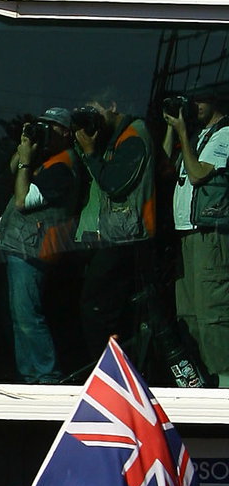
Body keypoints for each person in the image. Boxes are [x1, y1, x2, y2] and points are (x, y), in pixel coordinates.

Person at [0, 108, 81, 384]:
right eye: (41, 125)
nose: (45, 130)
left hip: (33, 250)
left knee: (28, 317)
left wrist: (25, 163)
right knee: (21, 317)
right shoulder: (47, 158)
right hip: (23, 247)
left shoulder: (63, 166)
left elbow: (22, 200)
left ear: (66, 133)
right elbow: (12, 168)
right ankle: (31, 374)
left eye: (52, 127)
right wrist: (25, 149)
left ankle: (47, 376)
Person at [71, 94, 154, 361]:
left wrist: (91, 152)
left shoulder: (133, 136)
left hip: (127, 239)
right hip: (115, 237)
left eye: (94, 111)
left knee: (96, 310)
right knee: (103, 309)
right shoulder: (114, 137)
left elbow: (114, 184)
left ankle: (106, 371)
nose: (90, 119)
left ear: (113, 105)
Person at [163, 91, 229, 386]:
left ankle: (225, 382)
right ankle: (202, 384)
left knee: (212, 313)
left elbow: (199, 173)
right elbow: (165, 167)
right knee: (188, 314)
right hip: (187, 233)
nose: (194, 107)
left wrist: (182, 133)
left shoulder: (225, 133)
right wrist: (171, 127)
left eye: (200, 101)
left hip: (210, 236)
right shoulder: (199, 135)